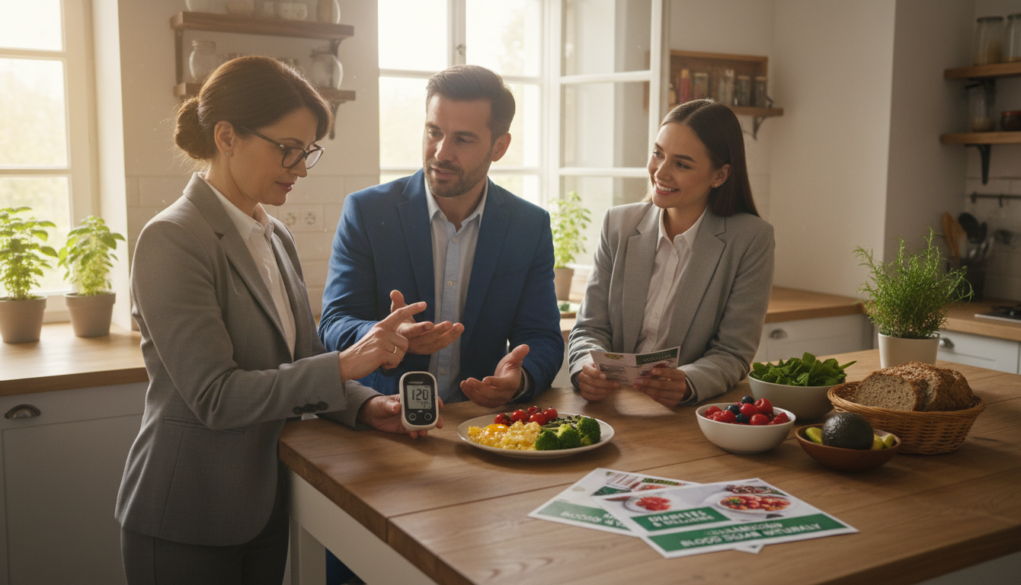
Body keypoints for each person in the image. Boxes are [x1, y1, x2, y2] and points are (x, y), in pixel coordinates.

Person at [115, 56, 438, 585]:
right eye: (286, 149)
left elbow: (302, 360)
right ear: (226, 136)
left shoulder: (275, 235)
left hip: (263, 504)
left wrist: (367, 405)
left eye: (307, 151)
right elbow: (217, 396)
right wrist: (343, 367)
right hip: (187, 516)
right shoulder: (172, 239)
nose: (300, 168)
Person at [319, 64, 564, 407]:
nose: (441, 152)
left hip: (478, 424)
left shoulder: (528, 226)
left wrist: (519, 378)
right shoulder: (367, 212)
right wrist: (384, 337)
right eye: (434, 132)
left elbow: (541, 337)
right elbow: (333, 323)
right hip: (380, 421)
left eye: (462, 139)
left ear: (499, 147)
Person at [568, 99, 774, 407]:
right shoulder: (618, 224)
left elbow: (732, 353)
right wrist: (585, 367)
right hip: (612, 406)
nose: (660, 173)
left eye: (682, 164)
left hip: (685, 412)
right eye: (658, 154)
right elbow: (589, 328)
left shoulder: (751, 238)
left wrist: (689, 382)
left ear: (719, 175)